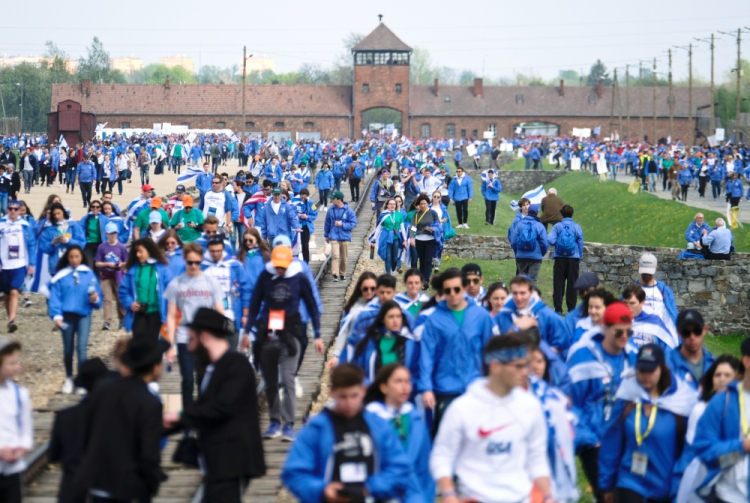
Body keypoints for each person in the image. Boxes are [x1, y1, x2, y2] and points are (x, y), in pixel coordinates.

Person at [430, 333, 555, 503]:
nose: (526, 372)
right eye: (518, 366)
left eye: (526, 365)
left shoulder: (530, 406)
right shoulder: (462, 407)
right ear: (495, 366)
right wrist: (449, 494)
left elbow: (537, 457)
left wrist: (548, 496)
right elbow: (442, 455)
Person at [163, 308, 266, 502]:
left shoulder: (236, 365)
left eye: (192, 340)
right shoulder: (213, 368)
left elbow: (221, 407)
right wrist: (166, 425)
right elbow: (201, 408)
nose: (190, 348)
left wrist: (179, 418)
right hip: (215, 462)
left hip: (231, 463)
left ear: (205, 336)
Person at [281, 364, 410, 503]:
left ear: (363, 391)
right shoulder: (315, 429)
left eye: (354, 396)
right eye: (343, 397)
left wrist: (369, 488)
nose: (349, 403)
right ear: (331, 393)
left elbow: (399, 468)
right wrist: (323, 490)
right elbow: (294, 473)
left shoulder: (379, 426)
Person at [599, 343, 698, 503]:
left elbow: (689, 450)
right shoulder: (627, 398)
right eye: (641, 370)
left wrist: (679, 487)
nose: (645, 375)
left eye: (651, 370)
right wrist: (607, 483)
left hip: (664, 488)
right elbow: (611, 442)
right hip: (629, 484)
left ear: (662, 369)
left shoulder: (680, 403)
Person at [76, 337, 168, 503]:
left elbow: (86, 431)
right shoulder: (150, 402)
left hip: (99, 484)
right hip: (130, 488)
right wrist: (152, 484)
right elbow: (149, 454)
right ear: (155, 368)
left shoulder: (103, 389)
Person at [246, 244, 321, 441]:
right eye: (277, 265)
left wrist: (318, 334)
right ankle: (274, 421)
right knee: (270, 381)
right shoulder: (266, 276)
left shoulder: (299, 277)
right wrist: (247, 332)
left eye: (283, 266)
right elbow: (254, 304)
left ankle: (288, 424)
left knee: (287, 379)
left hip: (291, 333)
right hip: (268, 333)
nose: (280, 270)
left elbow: (312, 305)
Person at [566, 302, 638, 503]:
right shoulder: (582, 356)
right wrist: (589, 439)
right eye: (618, 332)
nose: (624, 337)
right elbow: (570, 404)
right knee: (608, 495)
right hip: (594, 439)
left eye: (628, 332)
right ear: (604, 328)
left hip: (626, 438)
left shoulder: (632, 355)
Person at [419, 268, 494, 435]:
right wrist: (426, 388)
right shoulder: (434, 319)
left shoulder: (481, 316)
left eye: (457, 289)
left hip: (475, 388)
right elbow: (427, 356)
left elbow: (490, 351)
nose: (452, 294)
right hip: (445, 389)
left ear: (464, 288)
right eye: (447, 290)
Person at [164, 242, 224, 409]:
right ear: (184, 260)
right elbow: (171, 316)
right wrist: (170, 345)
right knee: (188, 379)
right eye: (190, 262)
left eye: (197, 263)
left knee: (204, 378)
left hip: (205, 336)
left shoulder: (211, 282)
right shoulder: (176, 284)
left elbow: (219, 310)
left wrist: (220, 337)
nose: (193, 266)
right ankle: (189, 420)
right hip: (185, 335)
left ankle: (204, 417)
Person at [676, 354, 742, 503]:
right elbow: (691, 452)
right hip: (701, 474)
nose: (722, 379)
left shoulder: (742, 410)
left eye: (727, 375)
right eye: (717, 374)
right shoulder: (700, 410)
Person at [364, 364, 434, 503]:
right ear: (384, 387)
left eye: (407, 381)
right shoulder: (369, 420)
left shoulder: (416, 419)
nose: (405, 387)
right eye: (398, 381)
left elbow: (425, 466)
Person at [693, 337, 750, 503]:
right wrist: (741, 446)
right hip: (728, 496)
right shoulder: (722, 401)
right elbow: (704, 449)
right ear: (746, 361)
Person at [48, 358, 109, 503]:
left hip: (71, 491)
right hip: (104, 490)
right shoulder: (113, 417)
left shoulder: (64, 417)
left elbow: (53, 456)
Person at [47, 245, 103, 394]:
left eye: (77, 256)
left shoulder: (89, 274)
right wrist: (56, 316)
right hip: (66, 317)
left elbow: (98, 297)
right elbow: (55, 297)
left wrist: (95, 299)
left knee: (82, 348)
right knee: (68, 349)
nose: (74, 260)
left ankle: (82, 381)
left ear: (82, 257)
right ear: (67, 258)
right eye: (71, 257)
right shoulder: (61, 275)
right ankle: (69, 378)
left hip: (84, 315)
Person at [350, 300, 419, 387]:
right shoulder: (369, 342)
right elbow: (356, 370)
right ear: (383, 319)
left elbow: (416, 372)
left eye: (398, 316)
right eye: (391, 317)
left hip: (401, 395)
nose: (395, 321)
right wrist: (368, 387)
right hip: (374, 394)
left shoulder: (411, 344)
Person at [118, 238, 173, 341]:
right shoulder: (133, 270)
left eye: (140, 251)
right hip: (139, 313)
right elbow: (123, 290)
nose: (138, 255)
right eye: (136, 252)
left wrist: (170, 312)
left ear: (149, 250)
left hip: (158, 313)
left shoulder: (162, 269)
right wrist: (130, 303)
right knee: (139, 342)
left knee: (153, 343)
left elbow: (172, 290)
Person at [201, 235, 250, 350]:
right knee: (210, 352)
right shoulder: (201, 265)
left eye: (218, 251)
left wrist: (246, 314)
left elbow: (246, 289)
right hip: (209, 315)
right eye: (212, 251)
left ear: (223, 249)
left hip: (230, 315)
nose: (215, 254)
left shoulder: (234, 265)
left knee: (230, 350)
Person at [0, 339, 32, 503]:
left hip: (12, 470)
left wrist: (21, 447)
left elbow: (26, 431)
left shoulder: (20, 394)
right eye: (11, 363)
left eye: (17, 362)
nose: (17, 367)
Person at [327, 272, 378, 370]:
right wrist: (336, 355)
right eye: (365, 289)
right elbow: (344, 331)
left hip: (373, 354)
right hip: (353, 352)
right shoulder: (352, 308)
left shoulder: (380, 307)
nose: (369, 292)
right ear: (360, 288)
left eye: (373, 288)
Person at [0, 200, 36, 333]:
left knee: (15, 291)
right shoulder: (2, 225)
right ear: (7, 210)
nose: (13, 211)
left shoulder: (25, 225)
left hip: (20, 264)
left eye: (16, 209)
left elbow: (31, 245)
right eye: (11, 208)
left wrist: (32, 263)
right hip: (4, 265)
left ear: (20, 210)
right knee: (7, 295)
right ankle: (10, 318)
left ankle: (12, 320)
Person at [547, 204, 584, 315]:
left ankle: (558, 308)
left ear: (562, 214)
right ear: (572, 214)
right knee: (572, 284)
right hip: (573, 258)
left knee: (558, 284)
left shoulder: (558, 226)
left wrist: (558, 243)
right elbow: (580, 243)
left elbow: (550, 240)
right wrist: (579, 257)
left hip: (559, 258)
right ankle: (571, 309)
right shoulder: (576, 227)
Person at [94, 223, 128, 331]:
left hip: (118, 275)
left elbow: (127, 261)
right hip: (105, 276)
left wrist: (121, 265)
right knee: (107, 299)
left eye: (115, 233)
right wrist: (107, 264)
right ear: (106, 234)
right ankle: (107, 321)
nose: (113, 235)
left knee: (120, 299)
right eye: (111, 233)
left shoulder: (122, 247)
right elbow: (97, 263)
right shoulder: (102, 247)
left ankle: (122, 320)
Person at [622, 284, 678, 350]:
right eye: (625, 303)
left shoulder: (655, 322)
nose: (628, 307)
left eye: (632, 303)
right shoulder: (618, 322)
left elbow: (668, 349)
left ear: (642, 303)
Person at [635, 253, 678, 336]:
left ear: (656, 268)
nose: (647, 275)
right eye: (644, 272)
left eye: (649, 273)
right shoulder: (631, 291)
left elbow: (672, 316)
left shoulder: (664, 291)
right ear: (638, 268)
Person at [39, 203, 86, 273]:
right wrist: (52, 243)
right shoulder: (49, 228)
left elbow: (82, 243)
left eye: (59, 213)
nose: (57, 216)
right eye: (54, 214)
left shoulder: (73, 225)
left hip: (72, 265)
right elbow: (44, 248)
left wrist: (68, 240)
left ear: (63, 212)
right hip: (55, 266)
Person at [409, 194, 443, 286]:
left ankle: (426, 280)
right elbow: (413, 227)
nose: (423, 205)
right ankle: (422, 277)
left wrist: (433, 230)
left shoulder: (433, 213)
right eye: (421, 204)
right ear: (418, 205)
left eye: (424, 203)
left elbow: (438, 224)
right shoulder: (416, 214)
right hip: (419, 239)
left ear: (427, 203)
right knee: (422, 260)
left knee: (428, 260)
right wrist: (412, 238)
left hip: (430, 239)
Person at [509, 204, 548, 283]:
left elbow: (513, 241)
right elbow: (545, 243)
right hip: (535, 257)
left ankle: (520, 294)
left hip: (521, 257)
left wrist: (518, 252)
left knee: (521, 280)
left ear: (528, 212)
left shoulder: (520, 224)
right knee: (532, 280)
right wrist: (541, 253)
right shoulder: (540, 226)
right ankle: (531, 295)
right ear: (537, 213)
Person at [324, 191, 357, 282]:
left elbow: (353, 223)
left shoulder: (349, 210)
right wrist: (326, 235)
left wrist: (342, 225)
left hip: (345, 236)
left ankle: (342, 273)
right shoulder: (331, 210)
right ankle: (335, 274)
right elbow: (327, 223)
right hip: (333, 236)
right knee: (335, 255)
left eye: (333, 199)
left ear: (339, 200)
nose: (331, 200)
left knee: (344, 258)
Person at [370, 198, 407, 276]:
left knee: (395, 257)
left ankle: (393, 270)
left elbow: (402, 228)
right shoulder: (383, 214)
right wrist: (374, 239)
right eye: (390, 204)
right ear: (387, 205)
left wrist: (405, 239)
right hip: (386, 237)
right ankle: (388, 275)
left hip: (396, 237)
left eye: (394, 204)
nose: (392, 205)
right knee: (388, 257)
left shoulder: (399, 214)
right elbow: (379, 227)